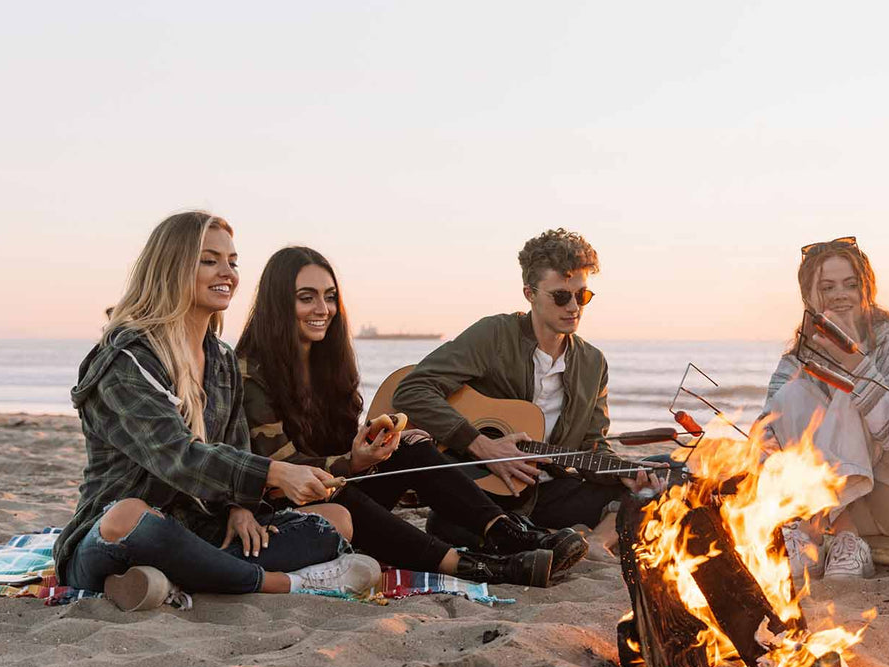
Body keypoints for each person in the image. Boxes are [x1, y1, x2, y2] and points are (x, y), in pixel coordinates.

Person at [52, 212, 381, 612]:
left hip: (201, 529)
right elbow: (178, 456)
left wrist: (240, 506)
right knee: (130, 517)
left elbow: (235, 443)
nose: (227, 273)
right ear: (172, 268)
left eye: (232, 261)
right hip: (117, 535)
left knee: (336, 520)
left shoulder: (222, 358)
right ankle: (279, 583)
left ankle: (170, 578)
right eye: (209, 260)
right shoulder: (125, 360)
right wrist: (275, 473)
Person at [236, 246, 584, 587]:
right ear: (279, 302)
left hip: (341, 491)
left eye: (329, 297)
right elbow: (282, 465)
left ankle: (508, 532)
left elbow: (338, 449)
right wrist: (351, 462)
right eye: (306, 297)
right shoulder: (254, 372)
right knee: (336, 491)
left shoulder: (328, 367)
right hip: (290, 512)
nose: (323, 309)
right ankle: (470, 566)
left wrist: (375, 448)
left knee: (410, 448)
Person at [392, 228, 656, 556]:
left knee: (657, 475)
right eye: (561, 296)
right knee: (445, 527)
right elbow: (411, 391)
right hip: (485, 487)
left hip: (551, 492)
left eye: (582, 296)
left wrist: (622, 473)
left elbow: (593, 446)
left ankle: (592, 540)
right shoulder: (494, 336)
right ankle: (550, 537)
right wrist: (481, 445)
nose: (574, 307)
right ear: (529, 293)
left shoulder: (593, 363)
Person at [762, 236, 889, 581]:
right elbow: (766, 432)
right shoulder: (796, 359)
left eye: (851, 284)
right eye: (827, 286)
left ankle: (811, 532)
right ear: (809, 297)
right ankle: (848, 540)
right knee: (791, 396)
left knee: (848, 392)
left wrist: (858, 365)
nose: (840, 294)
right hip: (852, 507)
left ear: (866, 291)